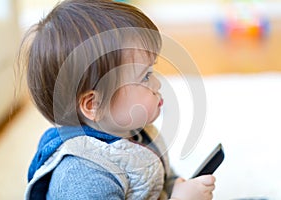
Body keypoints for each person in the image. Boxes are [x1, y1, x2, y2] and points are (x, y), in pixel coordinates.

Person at [19, 0, 216, 199]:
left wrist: (180, 187)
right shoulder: (84, 176)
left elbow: (161, 178)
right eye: (145, 77)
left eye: (151, 70)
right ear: (93, 105)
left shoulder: (137, 132)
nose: (157, 84)